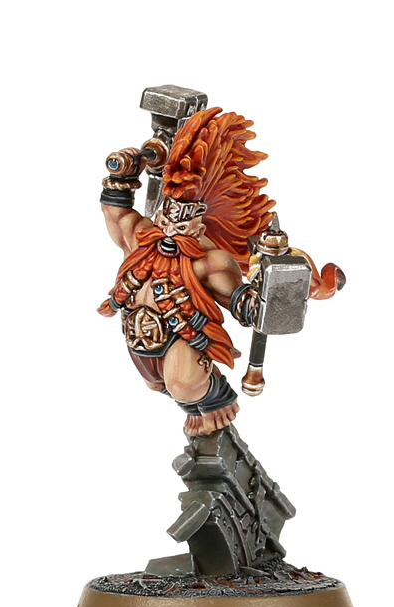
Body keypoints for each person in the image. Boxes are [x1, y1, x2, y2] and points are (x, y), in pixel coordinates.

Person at [98, 107, 341, 436]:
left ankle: (217, 402)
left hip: (183, 335)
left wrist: (265, 298)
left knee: (184, 385)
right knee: (157, 385)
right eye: (166, 221)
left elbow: (238, 301)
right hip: (138, 333)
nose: (169, 231)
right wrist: (121, 178)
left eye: (180, 226)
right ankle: (194, 405)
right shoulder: (141, 237)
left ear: (198, 227)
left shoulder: (209, 262)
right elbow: (116, 216)